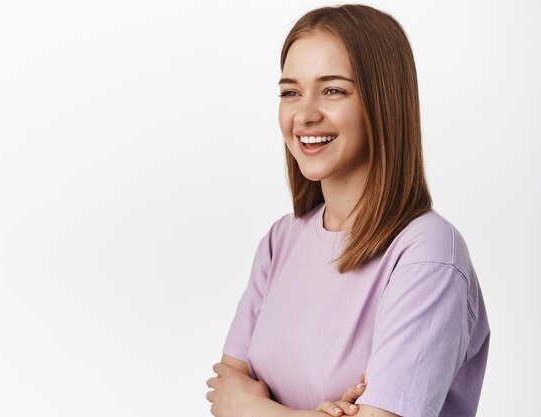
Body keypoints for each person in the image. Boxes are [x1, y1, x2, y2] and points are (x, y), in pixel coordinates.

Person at [205, 4, 490, 417]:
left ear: (383, 101)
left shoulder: (427, 253)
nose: (304, 114)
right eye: (290, 92)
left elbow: (233, 402)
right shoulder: (281, 241)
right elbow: (226, 382)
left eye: (333, 90)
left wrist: (250, 408)